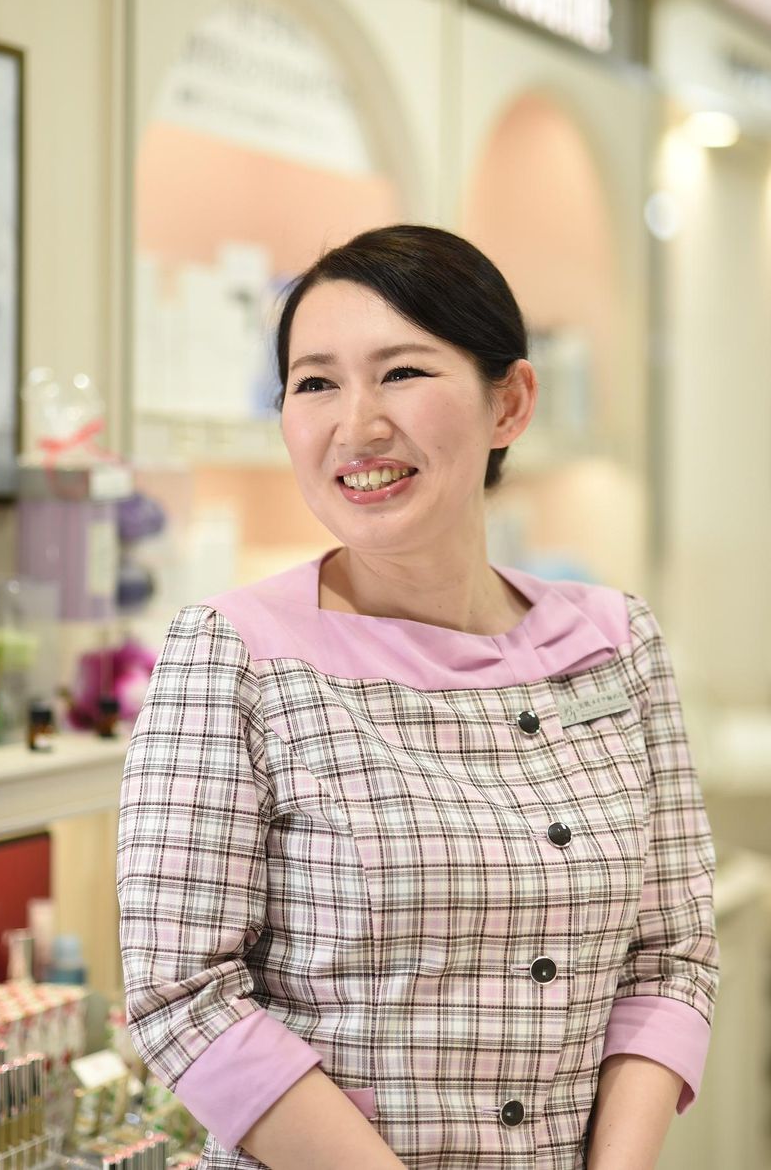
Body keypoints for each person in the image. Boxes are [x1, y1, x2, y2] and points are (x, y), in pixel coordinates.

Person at [117, 225, 719, 1170]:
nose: (356, 425)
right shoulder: (234, 654)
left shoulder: (614, 645)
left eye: (400, 372)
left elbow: (670, 957)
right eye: (315, 383)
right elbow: (182, 995)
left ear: (509, 401)